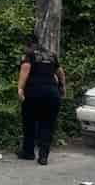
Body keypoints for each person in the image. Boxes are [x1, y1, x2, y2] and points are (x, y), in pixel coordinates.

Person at [17, 34, 66, 166]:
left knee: (29, 122)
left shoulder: (28, 54)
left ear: (27, 44)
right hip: (52, 93)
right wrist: (62, 87)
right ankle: (43, 157)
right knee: (48, 125)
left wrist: (20, 88)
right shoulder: (51, 55)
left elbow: (25, 69)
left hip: (33, 93)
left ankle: (28, 153)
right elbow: (60, 72)